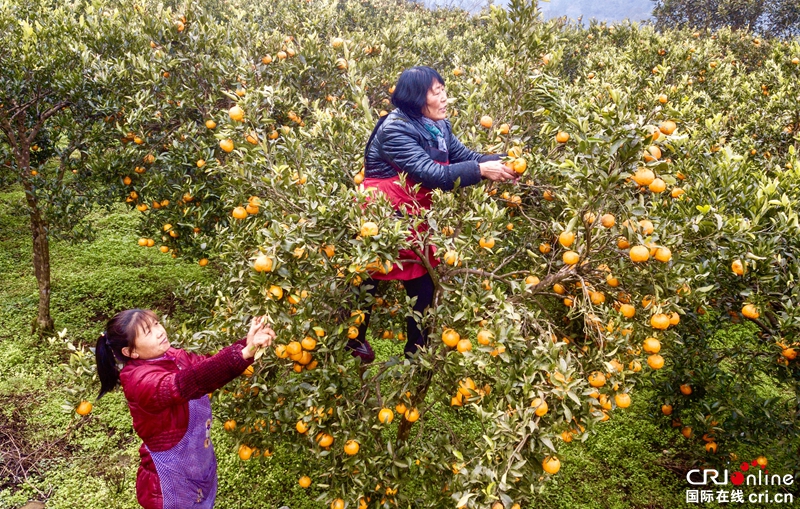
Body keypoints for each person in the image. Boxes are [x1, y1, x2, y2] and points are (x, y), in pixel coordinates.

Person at [347, 66, 517, 362]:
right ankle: (354, 339)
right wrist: (479, 171)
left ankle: (416, 352)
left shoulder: (439, 127)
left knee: (422, 278)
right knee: (370, 274)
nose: (445, 98)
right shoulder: (394, 128)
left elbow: (468, 158)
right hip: (386, 212)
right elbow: (431, 173)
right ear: (415, 97)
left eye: (443, 91)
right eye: (436, 93)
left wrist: (504, 162)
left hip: (414, 211)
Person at [94, 309, 275, 509]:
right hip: (167, 482)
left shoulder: (171, 356)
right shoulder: (139, 381)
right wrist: (245, 353)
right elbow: (187, 382)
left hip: (195, 463)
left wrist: (245, 344)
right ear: (131, 352)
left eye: (156, 323)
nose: (160, 331)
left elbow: (206, 365)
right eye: (148, 331)